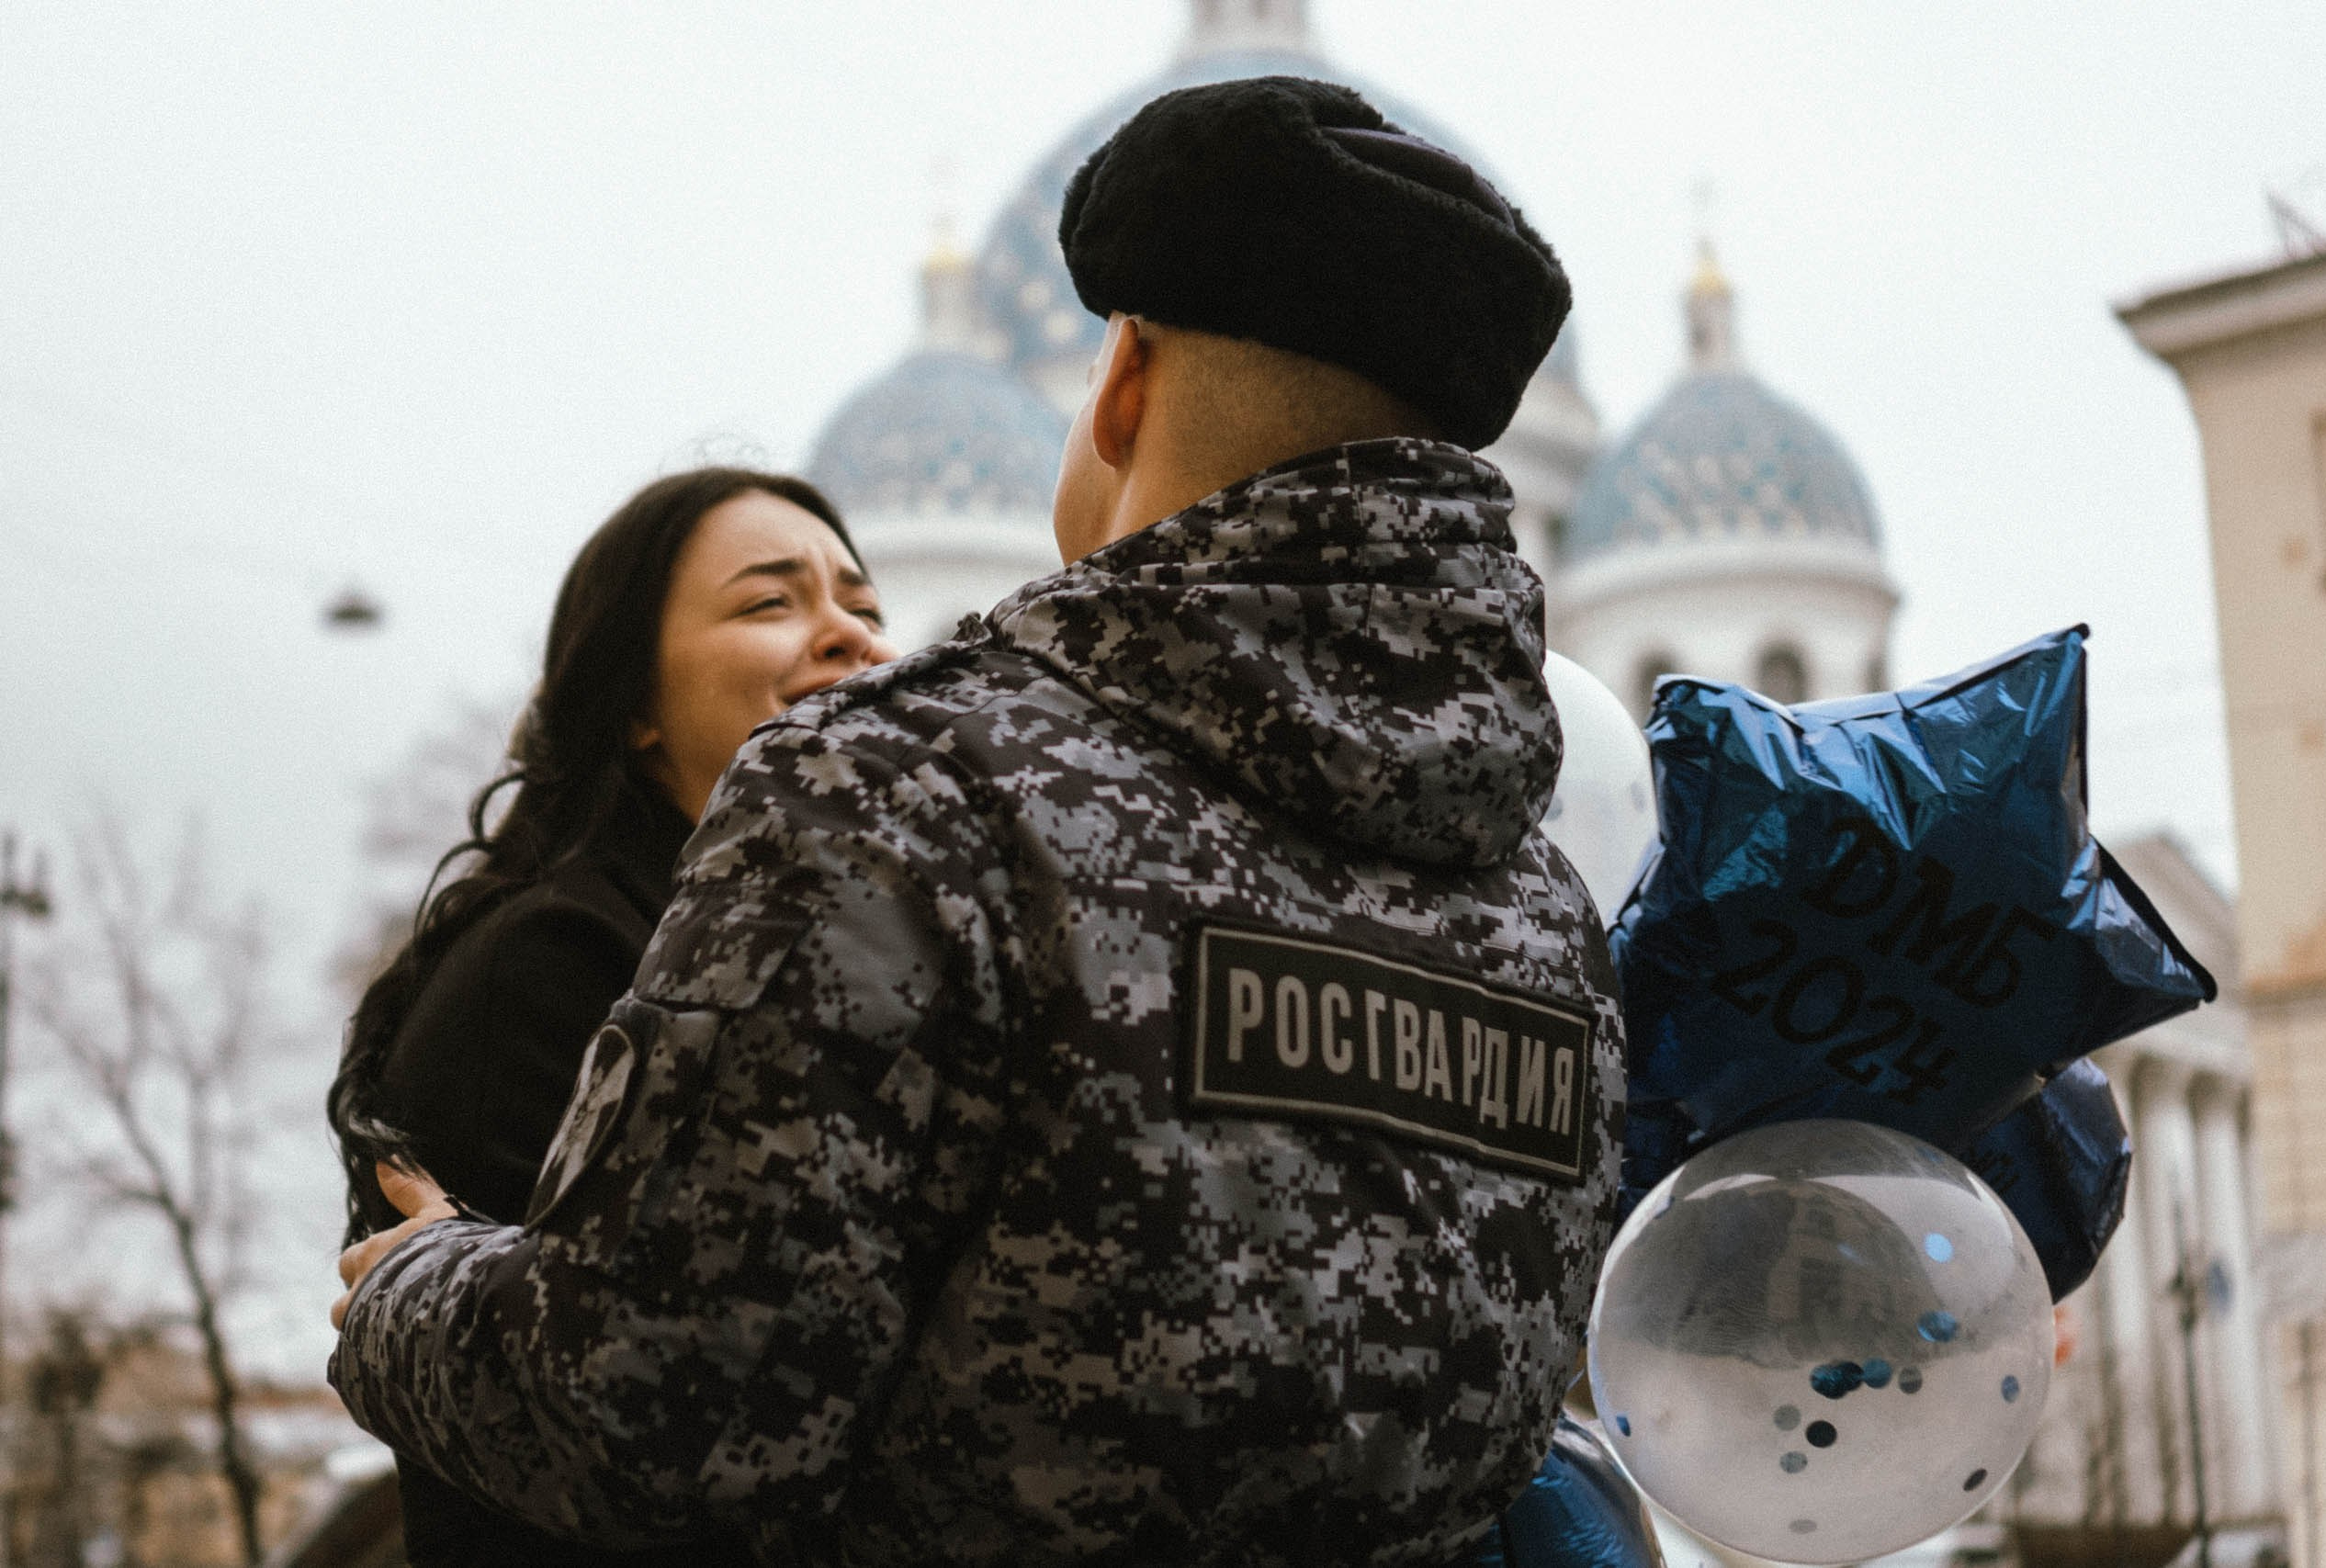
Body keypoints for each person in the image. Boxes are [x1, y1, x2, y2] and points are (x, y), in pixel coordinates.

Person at [332, 76, 1625, 1564]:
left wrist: (416, 1288)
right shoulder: (1548, 926)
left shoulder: (905, 788)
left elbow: (674, 1419)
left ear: (1125, 379)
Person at [325, 466, 891, 1568]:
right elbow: (607, 1410)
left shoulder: (866, 954)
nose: (848, 637)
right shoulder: (551, 969)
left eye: (864, 607)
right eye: (770, 602)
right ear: (633, 703)